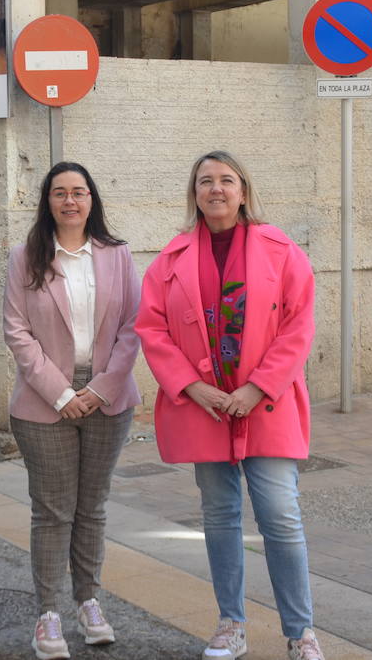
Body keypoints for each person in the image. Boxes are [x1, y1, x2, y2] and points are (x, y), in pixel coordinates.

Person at [135, 151, 326, 660]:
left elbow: (298, 325)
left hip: (267, 404)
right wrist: (191, 387)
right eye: (205, 182)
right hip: (206, 407)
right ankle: (231, 623)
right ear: (193, 193)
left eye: (226, 180)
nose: (215, 189)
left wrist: (259, 387)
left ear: (243, 190)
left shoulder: (281, 250)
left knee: (280, 515)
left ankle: (301, 631)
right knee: (219, 515)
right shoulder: (171, 260)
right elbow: (152, 330)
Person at [3, 163, 141, 660]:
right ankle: (48, 614)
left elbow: (133, 327)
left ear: (91, 200)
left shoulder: (118, 255)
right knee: (53, 510)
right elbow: (17, 333)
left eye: (78, 192)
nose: (70, 201)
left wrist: (100, 389)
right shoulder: (26, 257)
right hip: (44, 403)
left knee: (92, 508)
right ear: (48, 201)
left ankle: (88, 602)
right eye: (59, 193)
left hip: (109, 398)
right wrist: (63, 394)